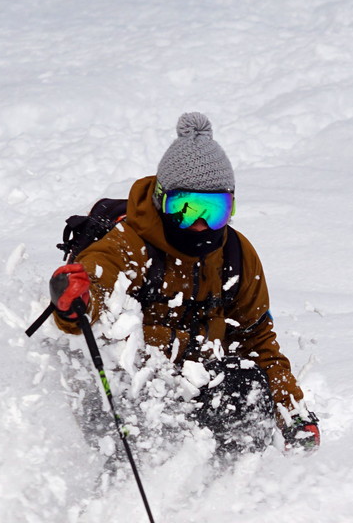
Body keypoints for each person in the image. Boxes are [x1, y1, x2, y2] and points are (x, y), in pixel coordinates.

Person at [50, 111, 319, 457]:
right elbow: (100, 274)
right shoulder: (129, 244)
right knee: (132, 410)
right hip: (126, 386)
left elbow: (257, 341)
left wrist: (292, 413)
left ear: (231, 205)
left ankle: (234, 495)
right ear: (162, 200)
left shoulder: (236, 254)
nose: (199, 224)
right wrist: (81, 297)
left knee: (245, 384)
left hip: (196, 384)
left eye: (213, 209)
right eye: (184, 208)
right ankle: (117, 502)